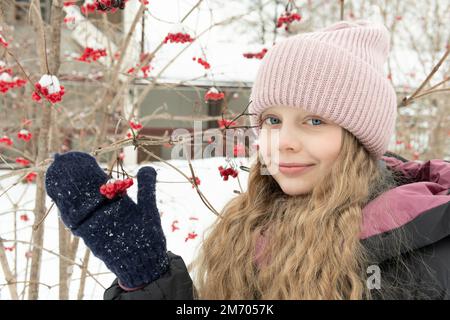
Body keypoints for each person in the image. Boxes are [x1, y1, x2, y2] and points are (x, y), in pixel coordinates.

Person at [45, 20, 450, 300]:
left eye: (314, 120)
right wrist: (148, 278)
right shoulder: (246, 231)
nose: (283, 143)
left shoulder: (428, 247)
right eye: (273, 120)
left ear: (360, 137)